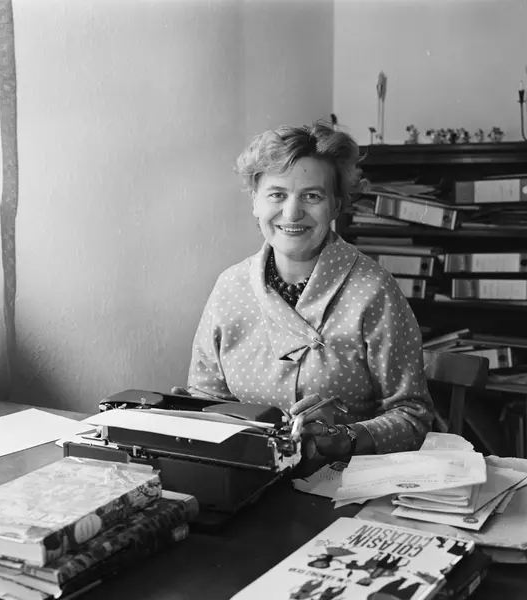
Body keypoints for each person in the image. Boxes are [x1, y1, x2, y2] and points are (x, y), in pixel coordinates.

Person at [173, 120, 434, 460]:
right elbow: (207, 397)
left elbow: (412, 417)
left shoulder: (374, 290)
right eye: (277, 195)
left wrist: (345, 438)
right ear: (255, 202)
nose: (292, 212)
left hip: (347, 476)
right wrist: (190, 411)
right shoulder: (230, 286)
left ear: (336, 205)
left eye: (312, 196)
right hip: (251, 471)